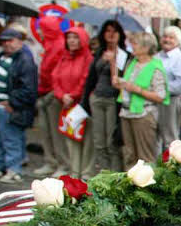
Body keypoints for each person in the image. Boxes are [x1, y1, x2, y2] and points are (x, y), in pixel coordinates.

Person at [0, 27, 37, 183]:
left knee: (11, 139)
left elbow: (29, 89)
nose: (6, 44)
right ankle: (0, 166)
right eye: (4, 41)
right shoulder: (2, 55)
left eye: (10, 40)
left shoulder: (24, 60)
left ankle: (14, 169)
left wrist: (12, 101)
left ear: (19, 41)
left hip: (8, 108)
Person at [81, 20, 129, 173]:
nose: (111, 34)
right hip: (97, 98)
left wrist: (113, 61)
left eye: (114, 31)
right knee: (99, 141)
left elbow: (122, 79)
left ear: (120, 34)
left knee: (111, 141)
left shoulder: (124, 55)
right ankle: (103, 172)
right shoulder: (99, 52)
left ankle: (114, 174)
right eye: (108, 31)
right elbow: (91, 78)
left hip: (113, 100)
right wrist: (85, 100)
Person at [115, 32, 168, 165]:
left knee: (145, 156)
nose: (132, 46)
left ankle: (146, 184)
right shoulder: (133, 63)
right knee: (129, 154)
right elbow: (128, 84)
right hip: (127, 113)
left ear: (146, 47)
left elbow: (160, 96)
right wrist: (120, 83)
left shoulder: (155, 67)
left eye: (135, 43)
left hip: (143, 115)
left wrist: (138, 90)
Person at [50, 27, 94, 179]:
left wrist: (73, 95)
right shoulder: (64, 56)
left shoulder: (88, 58)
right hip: (65, 103)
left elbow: (85, 79)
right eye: (69, 37)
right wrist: (62, 95)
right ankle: (74, 172)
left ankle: (86, 173)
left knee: (86, 139)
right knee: (70, 137)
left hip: (81, 103)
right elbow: (55, 77)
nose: (72, 41)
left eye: (75, 37)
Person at [32, 16, 72, 177]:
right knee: (45, 130)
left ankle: (63, 163)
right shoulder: (48, 45)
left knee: (56, 133)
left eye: (42, 28)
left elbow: (57, 73)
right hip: (44, 92)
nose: (39, 31)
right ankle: (50, 161)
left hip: (54, 95)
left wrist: (53, 92)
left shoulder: (59, 46)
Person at [156, 26, 181, 153]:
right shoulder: (157, 56)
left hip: (171, 101)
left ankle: (170, 168)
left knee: (170, 138)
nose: (167, 39)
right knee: (155, 136)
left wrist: (159, 89)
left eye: (171, 37)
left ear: (178, 41)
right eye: (165, 36)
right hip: (153, 100)